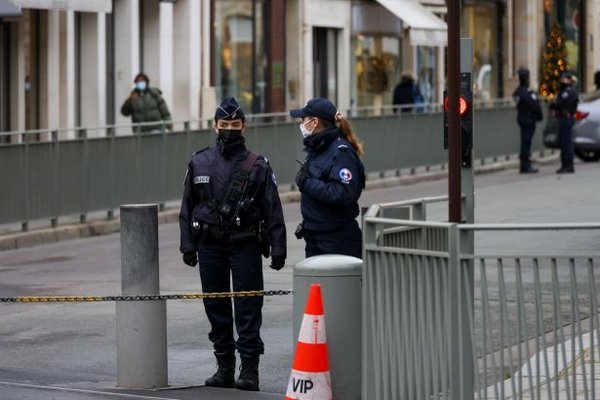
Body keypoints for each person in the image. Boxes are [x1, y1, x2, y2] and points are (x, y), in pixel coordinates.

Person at [178, 97, 287, 391]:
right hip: (209, 244)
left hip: (245, 244)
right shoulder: (199, 161)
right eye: (224, 124)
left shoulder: (257, 165)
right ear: (214, 126)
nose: (229, 129)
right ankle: (224, 366)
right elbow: (187, 207)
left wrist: (278, 247)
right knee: (215, 305)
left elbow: (271, 206)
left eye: (234, 124)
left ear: (244, 126)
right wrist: (187, 244)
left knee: (248, 305)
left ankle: (249, 369)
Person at [290, 97, 365, 259]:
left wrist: (305, 182)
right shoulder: (319, 147)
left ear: (315, 122)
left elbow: (341, 193)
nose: (301, 124)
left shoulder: (340, 151)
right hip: (315, 237)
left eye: (303, 120)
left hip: (337, 240)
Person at [512, 67, 543, 173]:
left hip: (522, 118)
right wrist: (538, 116)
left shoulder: (518, 92)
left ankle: (524, 163)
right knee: (526, 142)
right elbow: (535, 105)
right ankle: (525, 165)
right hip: (529, 119)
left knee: (525, 142)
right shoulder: (527, 92)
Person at [550, 71, 579, 174]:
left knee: (566, 143)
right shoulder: (564, 91)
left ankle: (568, 165)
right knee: (563, 142)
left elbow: (560, 103)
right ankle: (565, 165)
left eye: (564, 79)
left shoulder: (569, 91)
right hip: (563, 118)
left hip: (566, 118)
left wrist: (554, 104)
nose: (562, 81)